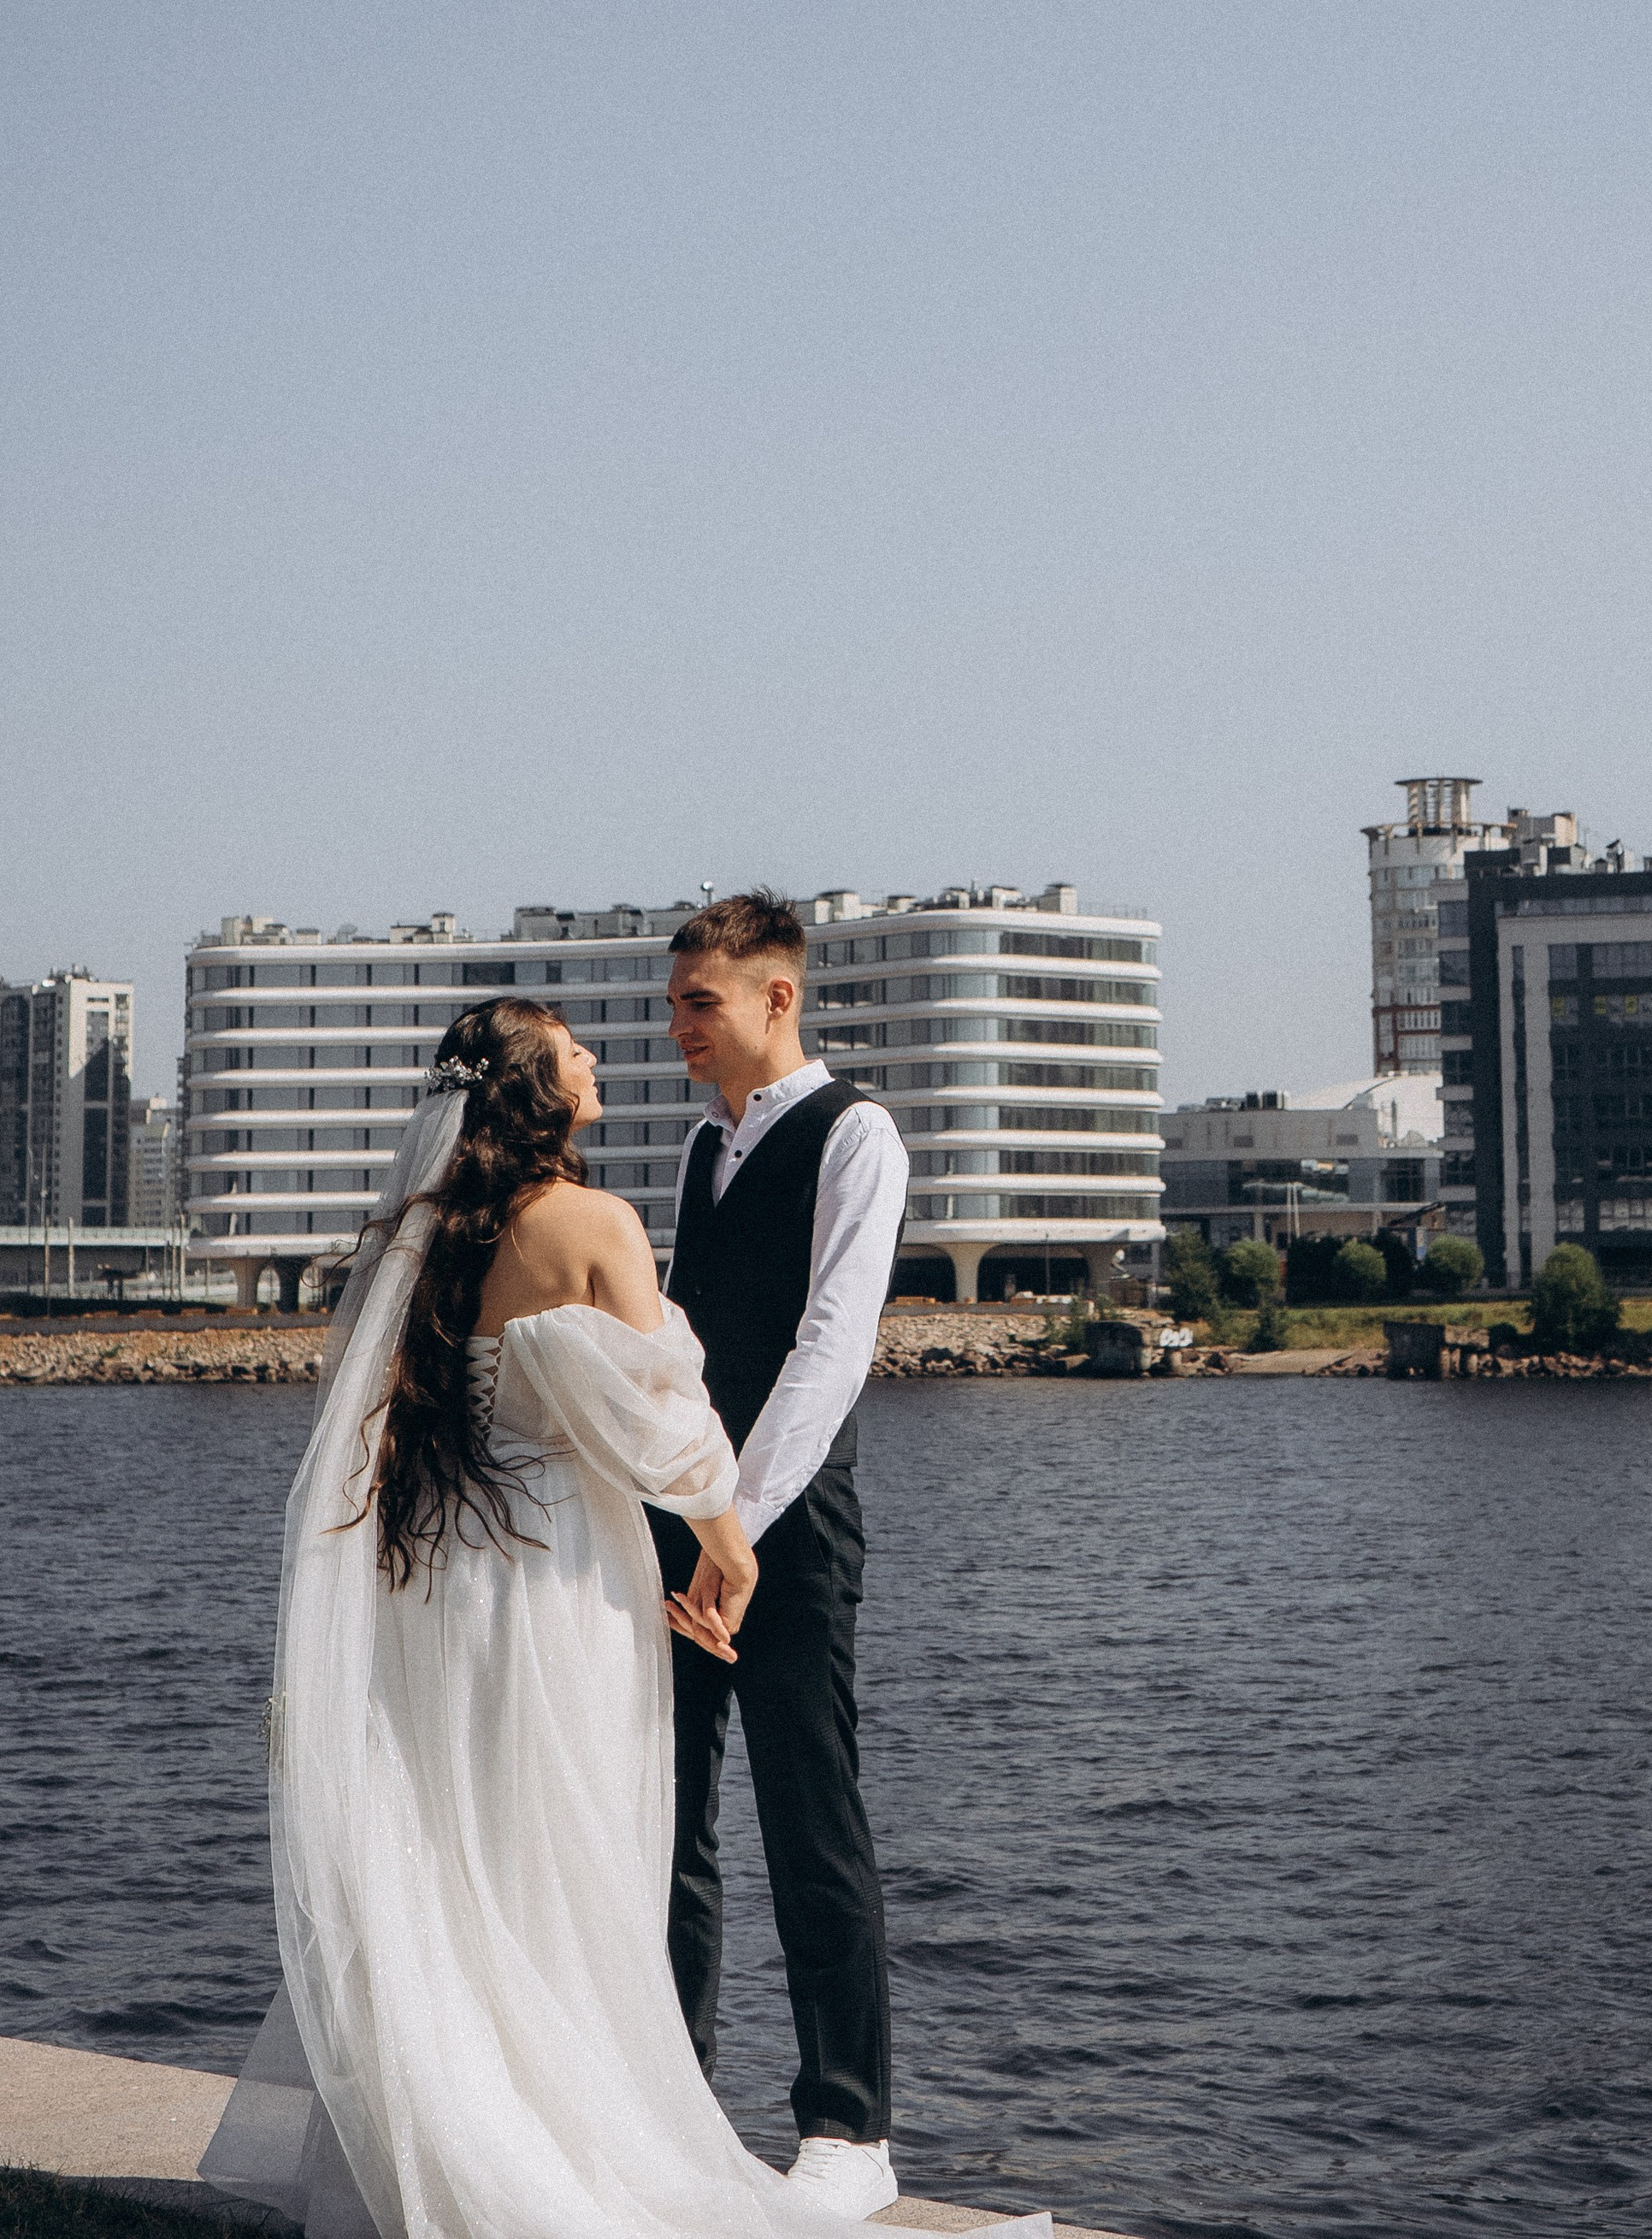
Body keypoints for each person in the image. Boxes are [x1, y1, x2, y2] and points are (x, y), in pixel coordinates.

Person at [198, 994, 1035, 2239]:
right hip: (560, 1583)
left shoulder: (424, 1235)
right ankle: (586, 2141)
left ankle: (468, 2122)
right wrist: (727, 1541)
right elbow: (666, 1419)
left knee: (467, 1850)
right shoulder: (595, 1223)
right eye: (573, 1049)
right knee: (573, 1853)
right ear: (539, 1090)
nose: (598, 1056)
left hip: (448, 1582)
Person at [651, 892, 910, 2222]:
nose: (679, 1027)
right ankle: (673, 2102)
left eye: (700, 1002)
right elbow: (680, 1350)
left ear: (777, 997)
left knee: (811, 1813)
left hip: (790, 1531)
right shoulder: (702, 1148)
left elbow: (832, 1348)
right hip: (683, 1521)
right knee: (668, 1816)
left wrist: (737, 1527)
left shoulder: (857, 1134)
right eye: (676, 1003)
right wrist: (686, 1514)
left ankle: (850, 2130)